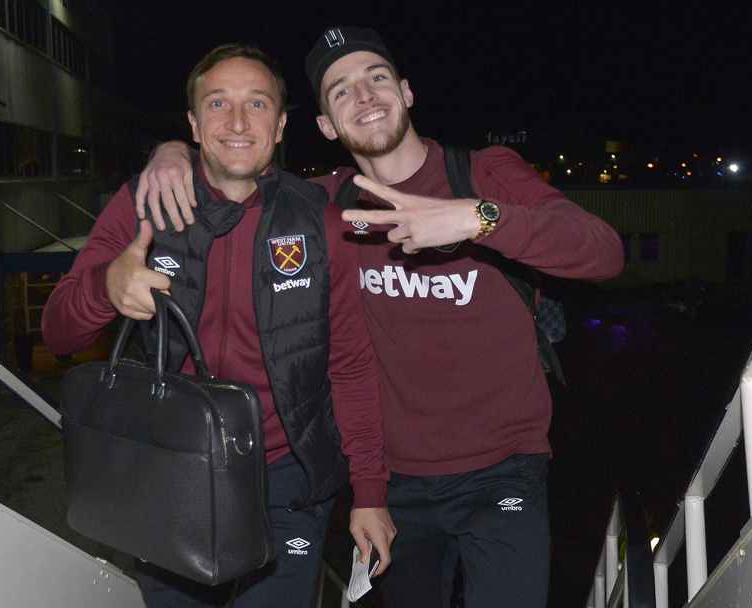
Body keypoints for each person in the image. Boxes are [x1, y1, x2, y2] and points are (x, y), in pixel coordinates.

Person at [137, 28, 624, 608]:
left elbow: (603, 252)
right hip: (391, 487)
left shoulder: (483, 175)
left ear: (407, 92)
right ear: (324, 125)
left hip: (503, 471)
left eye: (376, 78)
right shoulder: (324, 208)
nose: (363, 95)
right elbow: (233, 171)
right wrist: (173, 153)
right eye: (341, 91)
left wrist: (477, 220)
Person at [41, 43, 395, 608]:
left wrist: (370, 492)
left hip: (287, 479)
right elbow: (59, 334)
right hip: (171, 471)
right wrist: (106, 286)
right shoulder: (143, 205)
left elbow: (350, 366)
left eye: (256, 104)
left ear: (280, 125)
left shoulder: (319, 223)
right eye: (217, 103)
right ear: (193, 123)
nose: (236, 122)